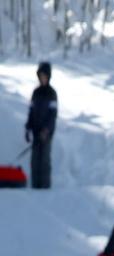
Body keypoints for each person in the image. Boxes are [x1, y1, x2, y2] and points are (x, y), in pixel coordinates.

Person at [25, 61, 57, 190]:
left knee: (44, 161)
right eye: (41, 75)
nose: (43, 78)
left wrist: (46, 130)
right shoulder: (36, 92)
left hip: (46, 134)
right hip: (35, 131)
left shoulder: (52, 93)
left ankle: (45, 188)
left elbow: (53, 115)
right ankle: (35, 187)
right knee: (35, 161)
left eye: (45, 76)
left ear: (49, 77)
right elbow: (31, 112)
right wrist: (28, 128)